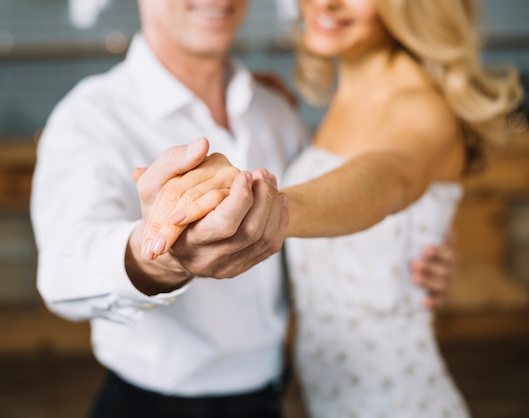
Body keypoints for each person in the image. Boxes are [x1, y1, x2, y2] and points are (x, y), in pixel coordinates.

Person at [30, 1, 459, 417]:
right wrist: (157, 257)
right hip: (155, 404)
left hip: (277, 398)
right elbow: (63, 273)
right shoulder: (90, 116)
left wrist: (415, 248)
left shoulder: (275, 110)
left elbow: (375, 186)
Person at [138, 0, 523, 417]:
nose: (326, 3)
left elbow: (386, 179)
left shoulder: (420, 107)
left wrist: (270, 210)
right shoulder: (340, 99)